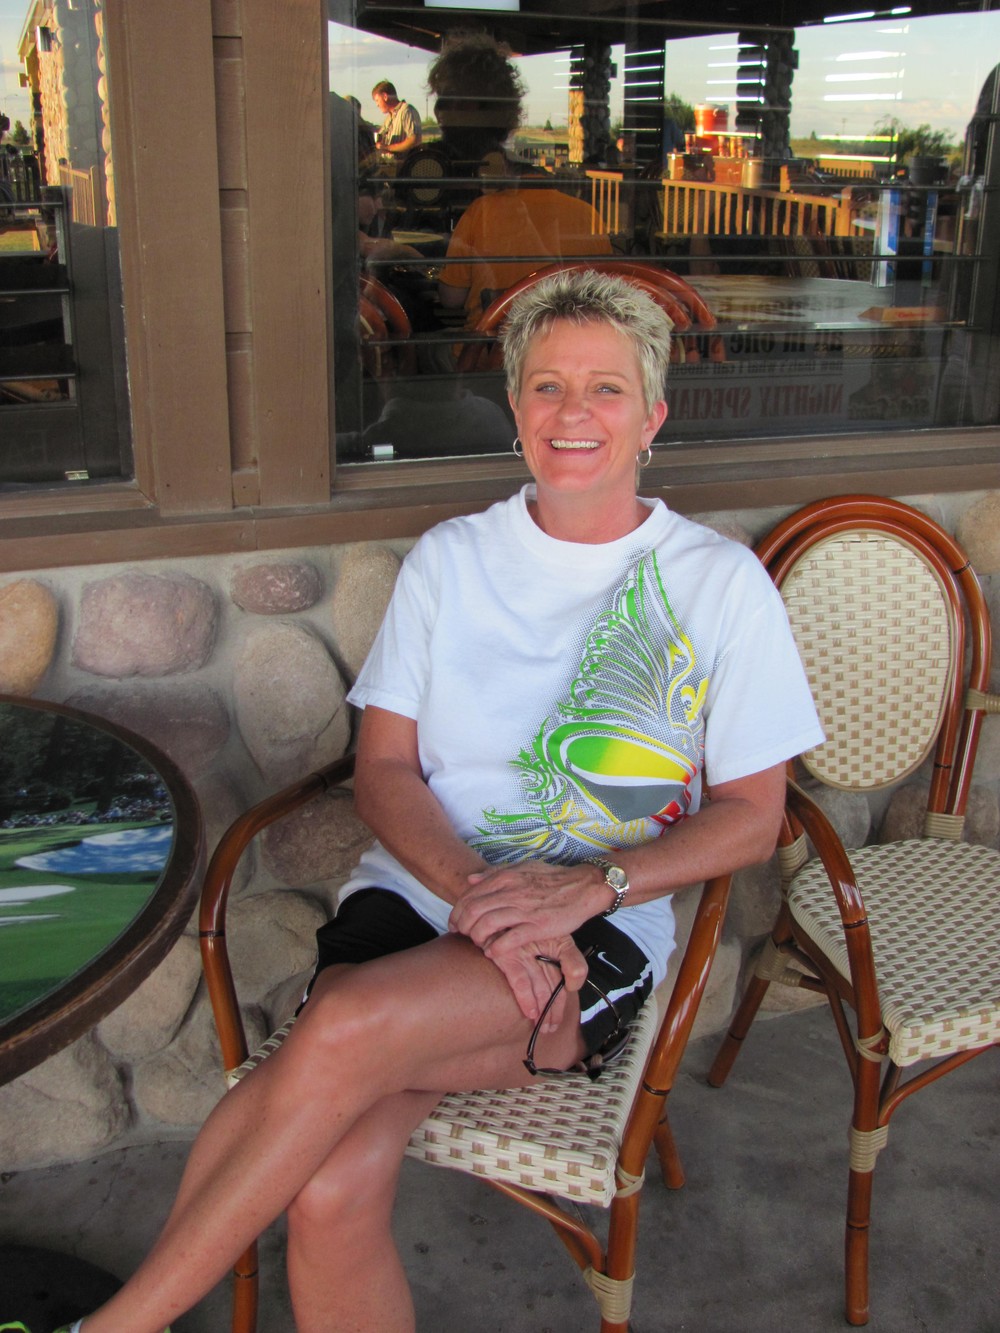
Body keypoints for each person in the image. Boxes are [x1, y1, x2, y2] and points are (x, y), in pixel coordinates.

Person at [21, 269, 823, 1333]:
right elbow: (386, 771)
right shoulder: (452, 560)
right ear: (515, 410)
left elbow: (753, 817)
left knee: (346, 1018)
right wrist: (480, 893)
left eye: (606, 388)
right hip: (417, 895)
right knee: (327, 1186)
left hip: (589, 930)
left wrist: (587, 887)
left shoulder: (719, 583)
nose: (573, 413)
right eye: (546, 386)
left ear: (653, 417)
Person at [432, 35, 613, 326]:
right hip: (559, 348)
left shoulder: (479, 212)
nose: (442, 111)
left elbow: (450, 298)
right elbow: (604, 300)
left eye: (452, 100)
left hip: (490, 349)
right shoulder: (585, 215)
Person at [371, 79, 422, 157]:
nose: (377, 105)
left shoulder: (406, 110)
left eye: (377, 100)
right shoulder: (389, 118)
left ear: (385, 96)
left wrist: (388, 147)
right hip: (389, 164)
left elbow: (414, 140)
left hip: (404, 163)